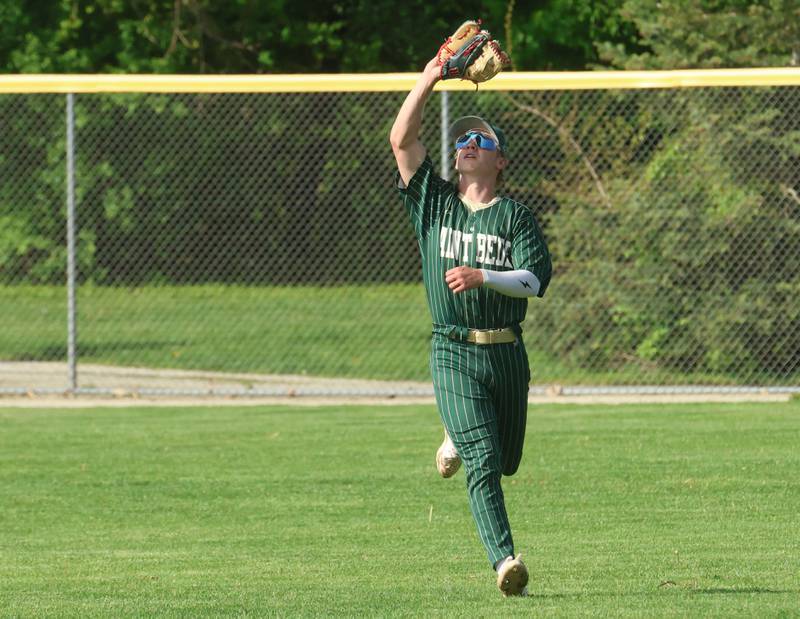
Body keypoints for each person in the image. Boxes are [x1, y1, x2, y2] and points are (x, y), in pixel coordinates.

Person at [389, 55, 552, 597]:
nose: (467, 146)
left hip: (506, 352)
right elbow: (400, 139)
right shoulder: (434, 204)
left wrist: (485, 275)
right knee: (483, 459)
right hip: (453, 350)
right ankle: (506, 561)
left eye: (480, 141)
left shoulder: (516, 218)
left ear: (500, 161)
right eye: (462, 141)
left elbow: (533, 281)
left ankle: (458, 432)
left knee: (506, 461)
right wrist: (433, 73)